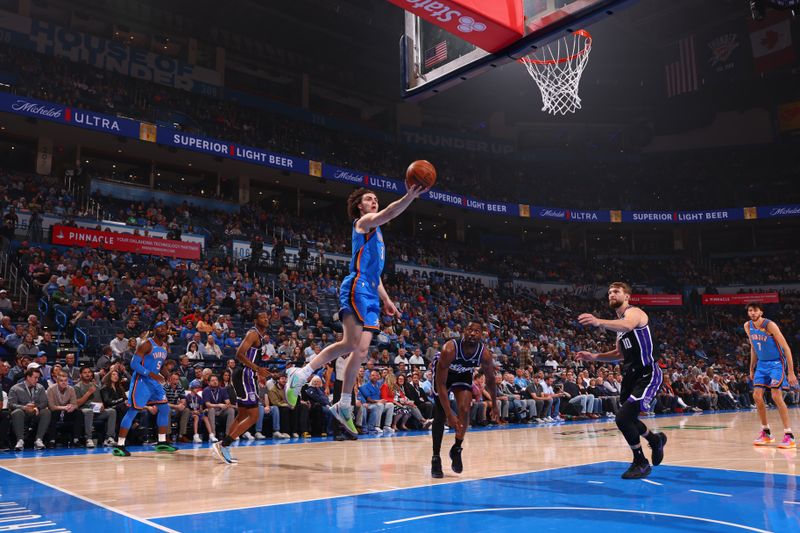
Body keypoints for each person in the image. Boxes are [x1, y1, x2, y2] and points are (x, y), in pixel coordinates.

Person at [285, 185, 428, 435]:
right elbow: (390, 213)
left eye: (375, 199)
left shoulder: (379, 234)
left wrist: (386, 300)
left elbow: (377, 275)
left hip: (371, 291)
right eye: (369, 199)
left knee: (361, 351)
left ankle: (343, 403)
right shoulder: (364, 222)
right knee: (350, 343)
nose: (374, 201)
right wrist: (410, 197)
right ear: (360, 206)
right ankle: (302, 373)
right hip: (357, 286)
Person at [577, 282, 667, 480]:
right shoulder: (619, 327)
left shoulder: (635, 313)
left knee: (622, 418)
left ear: (627, 296)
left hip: (647, 373)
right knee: (630, 418)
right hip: (631, 375)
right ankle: (655, 439)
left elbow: (628, 324)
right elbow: (619, 353)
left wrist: (598, 321)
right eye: (609, 292)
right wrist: (594, 356)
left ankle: (641, 462)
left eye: (616, 291)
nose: (611, 294)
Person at [431, 321, 498, 478]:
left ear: (481, 335)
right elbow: (441, 384)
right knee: (440, 414)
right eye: (469, 330)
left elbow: (491, 379)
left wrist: (494, 404)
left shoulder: (485, 354)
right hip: (443, 377)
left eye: (477, 331)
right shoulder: (450, 349)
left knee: (465, 409)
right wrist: (449, 414)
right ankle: (436, 457)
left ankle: (456, 448)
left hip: (462, 374)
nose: (473, 333)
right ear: (463, 332)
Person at [212, 311, 271, 465]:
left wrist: (258, 371)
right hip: (245, 375)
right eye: (262, 316)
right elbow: (239, 354)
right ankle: (223, 444)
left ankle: (224, 447)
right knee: (254, 416)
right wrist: (257, 369)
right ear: (255, 319)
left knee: (242, 415)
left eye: (266, 317)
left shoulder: (259, 336)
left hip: (247, 375)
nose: (265, 318)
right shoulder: (253, 334)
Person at [112, 322, 177, 456]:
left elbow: (161, 365)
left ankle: (162, 442)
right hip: (142, 381)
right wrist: (151, 374)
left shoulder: (164, 346)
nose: (163, 329)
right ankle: (119, 445)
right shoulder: (146, 344)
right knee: (133, 410)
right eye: (160, 327)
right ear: (154, 330)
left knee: (165, 408)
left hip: (154, 383)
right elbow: (134, 364)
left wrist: (167, 375)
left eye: (165, 328)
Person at [746, 303, 797, 449]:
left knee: (775, 395)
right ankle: (766, 432)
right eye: (750, 310)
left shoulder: (770, 325)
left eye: (755, 310)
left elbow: (786, 348)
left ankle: (789, 435)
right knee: (756, 396)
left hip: (776, 363)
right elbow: (753, 348)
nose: (753, 313)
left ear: (761, 312)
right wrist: (751, 368)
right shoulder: (747, 326)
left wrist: (791, 371)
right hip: (761, 364)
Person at [8, 366, 50, 451]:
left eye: (38, 378)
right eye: (35, 378)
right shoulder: (15, 388)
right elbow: (11, 404)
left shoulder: (40, 387)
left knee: (46, 412)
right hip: (22, 413)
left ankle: (39, 440)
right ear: (28, 377)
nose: (37, 380)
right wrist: (24, 407)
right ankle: (20, 440)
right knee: (17, 412)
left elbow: (44, 402)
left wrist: (37, 408)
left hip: (35, 412)